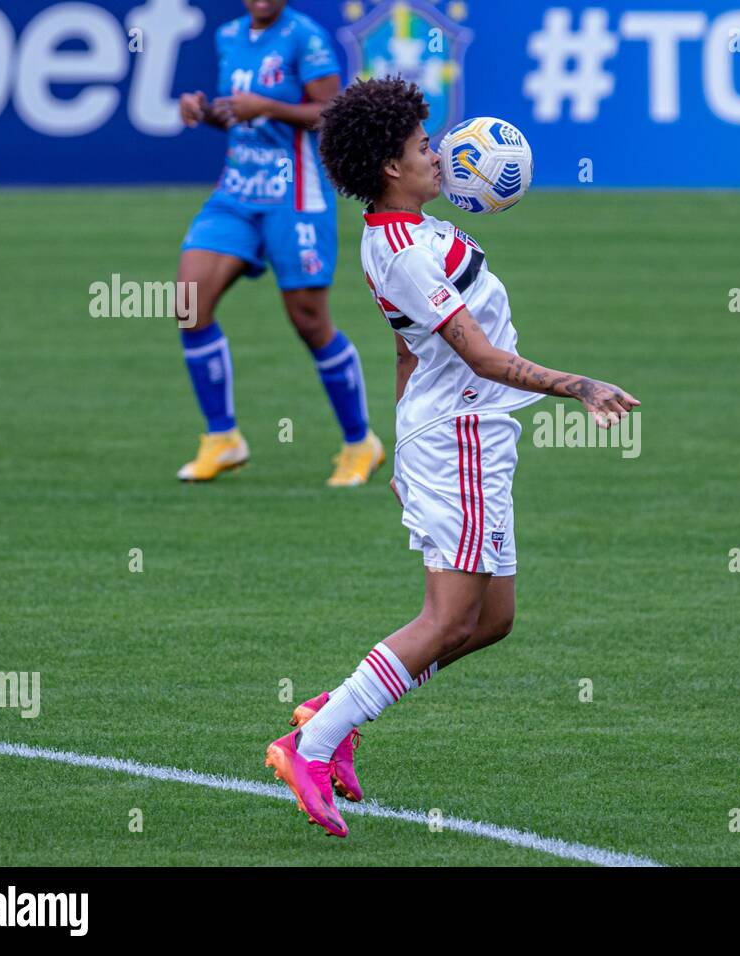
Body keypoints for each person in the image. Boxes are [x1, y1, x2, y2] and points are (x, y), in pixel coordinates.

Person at [265, 77, 640, 837]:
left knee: (492, 618)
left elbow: (412, 352)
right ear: (389, 169)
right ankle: (312, 743)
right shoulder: (401, 251)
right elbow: (481, 355)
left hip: (464, 435)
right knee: (446, 618)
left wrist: (403, 443)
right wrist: (580, 385)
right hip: (461, 436)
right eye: (422, 148)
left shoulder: (414, 234)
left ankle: (332, 709)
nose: (437, 155)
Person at [174, 0, 385, 486]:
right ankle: (222, 439)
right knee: (189, 304)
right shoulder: (230, 36)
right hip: (237, 192)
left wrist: (267, 106)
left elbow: (333, 114)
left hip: (295, 195)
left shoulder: (305, 37)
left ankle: (360, 442)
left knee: (309, 321)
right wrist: (203, 111)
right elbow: (237, 117)